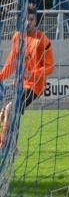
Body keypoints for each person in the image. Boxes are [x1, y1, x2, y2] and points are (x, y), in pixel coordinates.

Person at [0, 8, 54, 153]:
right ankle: (12, 145)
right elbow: (11, 62)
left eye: (31, 19)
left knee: (11, 109)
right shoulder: (17, 37)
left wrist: (32, 74)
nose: (28, 22)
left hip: (35, 86)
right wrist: (1, 76)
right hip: (17, 83)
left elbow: (50, 67)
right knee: (5, 113)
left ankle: (4, 145)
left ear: (36, 21)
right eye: (26, 19)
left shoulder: (43, 40)